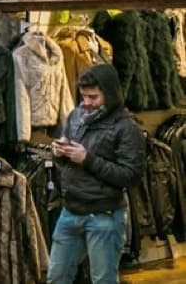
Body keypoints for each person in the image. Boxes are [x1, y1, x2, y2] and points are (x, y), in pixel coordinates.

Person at [47, 64, 145, 284]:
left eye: (94, 97)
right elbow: (68, 163)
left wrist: (87, 159)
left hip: (105, 215)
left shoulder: (127, 128)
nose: (87, 102)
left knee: (103, 280)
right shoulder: (75, 116)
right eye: (84, 96)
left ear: (110, 94)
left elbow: (131, 176)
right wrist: (60, 153)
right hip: (71, 210)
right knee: (56, 278)